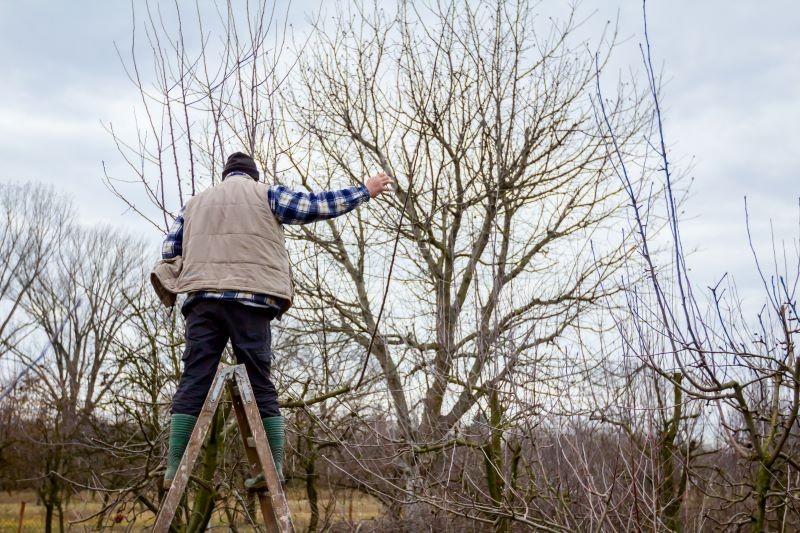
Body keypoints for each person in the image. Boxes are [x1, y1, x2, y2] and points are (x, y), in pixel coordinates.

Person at [151, 152, 393, 488]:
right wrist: (364, 191)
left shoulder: (194, 204)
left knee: (194, 381)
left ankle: (174, 469)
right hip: (252, 300)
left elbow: (169, 250)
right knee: (259, 381)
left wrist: (199, 271)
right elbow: (313, 206)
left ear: (225, 176)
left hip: (203, 301)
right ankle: (272, 469)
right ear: (252, 175)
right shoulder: (267, 193)